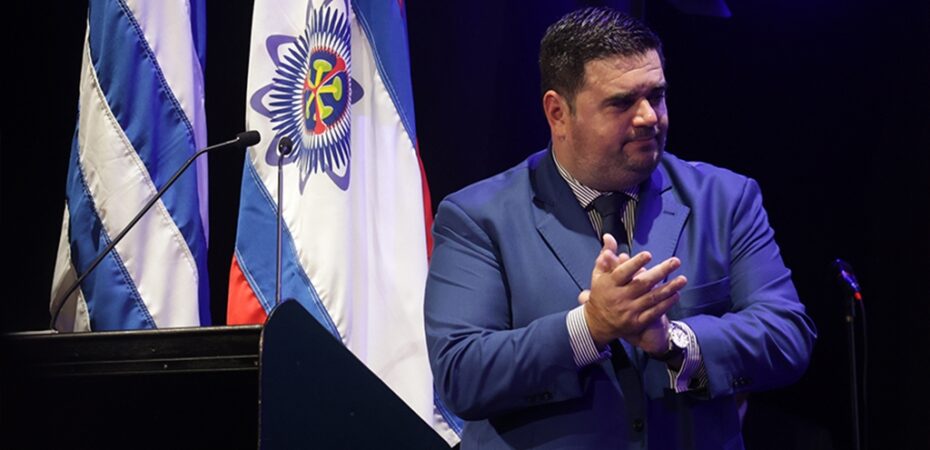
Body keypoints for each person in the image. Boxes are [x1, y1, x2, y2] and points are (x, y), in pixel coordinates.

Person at [424, 6, 816, 450]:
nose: (649, 116)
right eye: (622, 102)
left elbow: (787, 336)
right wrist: (590, 327)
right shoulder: (477, 217)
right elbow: (461, 374)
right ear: (558, 113)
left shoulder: (726, 199)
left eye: (657, 95)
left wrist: (674, 343)